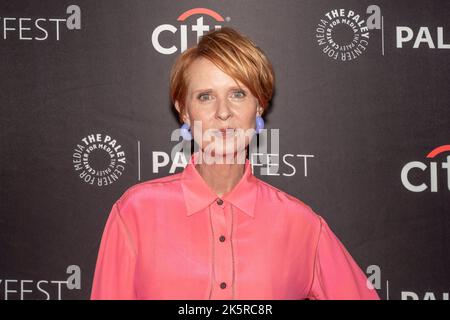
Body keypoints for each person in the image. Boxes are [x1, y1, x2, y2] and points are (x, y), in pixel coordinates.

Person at [90, 27, 380, 300]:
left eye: (238, 94)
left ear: (259, 105)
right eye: (205, 97)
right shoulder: (135, 212)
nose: (223, 112)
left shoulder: (301, 224)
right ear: (184, 111)